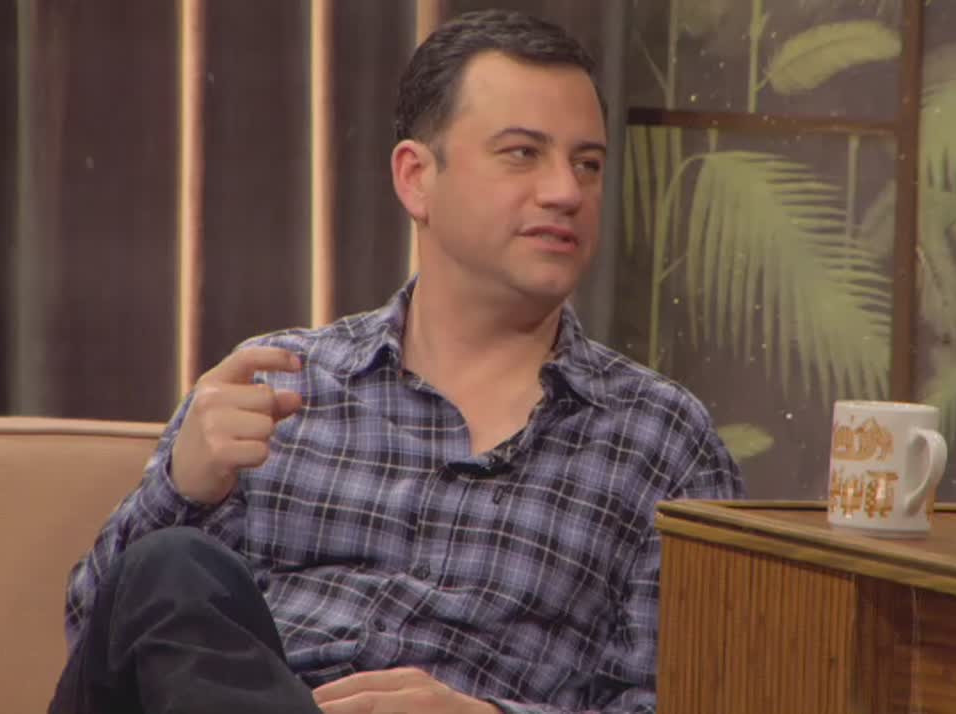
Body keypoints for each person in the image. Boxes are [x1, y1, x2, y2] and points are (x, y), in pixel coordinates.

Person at [49, 9, 744, 714]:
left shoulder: (661, 443)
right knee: (170, 565)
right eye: (522, 153)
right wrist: (182, 489)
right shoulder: (276, 382)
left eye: (587, 164)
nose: (566, 191)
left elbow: (687, 703)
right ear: (417, 178)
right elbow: (96, 643)